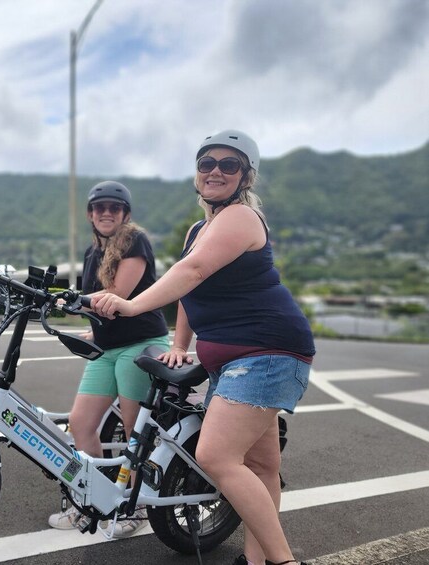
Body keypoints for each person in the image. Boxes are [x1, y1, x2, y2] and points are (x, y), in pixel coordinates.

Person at [90, 131, 314, 565]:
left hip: (265, 353)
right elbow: (193, 289)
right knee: (260, 467)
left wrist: (131, 304)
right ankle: (256, 561)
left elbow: (191, 271)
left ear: (245, 177)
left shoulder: (240, 218)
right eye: (206, 162)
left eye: (229, 165)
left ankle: (284, 562)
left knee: (216, 455)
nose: (215, 170)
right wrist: (178, 343)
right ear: (196, 173)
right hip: (236, 359)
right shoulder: (200, 229)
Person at [47, 180, 169, 538]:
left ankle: (138, 505)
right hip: (107, 348)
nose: (106, 213)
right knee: (81, 423)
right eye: (99, 208)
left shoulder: (135, 241)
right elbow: (95, 306)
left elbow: (117, 296)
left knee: (135, 433)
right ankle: (94, 500)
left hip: (141, 342)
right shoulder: (91, 253)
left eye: (114, 208)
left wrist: (71, 299)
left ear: (125, 214)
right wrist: (92, 329)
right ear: (90, 214)